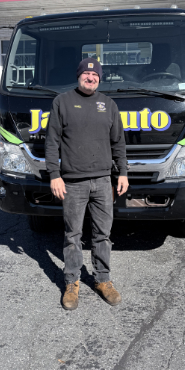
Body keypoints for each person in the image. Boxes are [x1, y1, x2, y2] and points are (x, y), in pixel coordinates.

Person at [45, 57, 129, 310]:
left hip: (103, 180)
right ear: (79, 75)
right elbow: (52, 142)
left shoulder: (109, 104)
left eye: (95, 75)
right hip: (72, 182)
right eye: (86, 74)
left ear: (99, 79)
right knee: (72, 235)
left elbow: (118, 142)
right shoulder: (62, 102)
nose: (90, 78)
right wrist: (54, 175)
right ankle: (72, 282)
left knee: (103, 234)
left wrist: (123, 173)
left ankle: (102, 280)